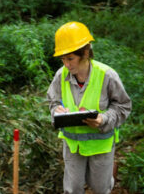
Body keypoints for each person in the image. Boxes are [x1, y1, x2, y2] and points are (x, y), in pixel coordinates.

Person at [47, 21, 132, 194]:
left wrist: (103, 119)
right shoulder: (61, 75)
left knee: (101, 189)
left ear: (85, 52)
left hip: (100, 145)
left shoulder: (107, 75)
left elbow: (123, 106)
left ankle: (109, 176)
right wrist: (56, 111)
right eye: (63, 59)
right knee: (72, 189)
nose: (67, 64)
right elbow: (53, 102)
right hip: (72, 145)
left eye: (70, 58)